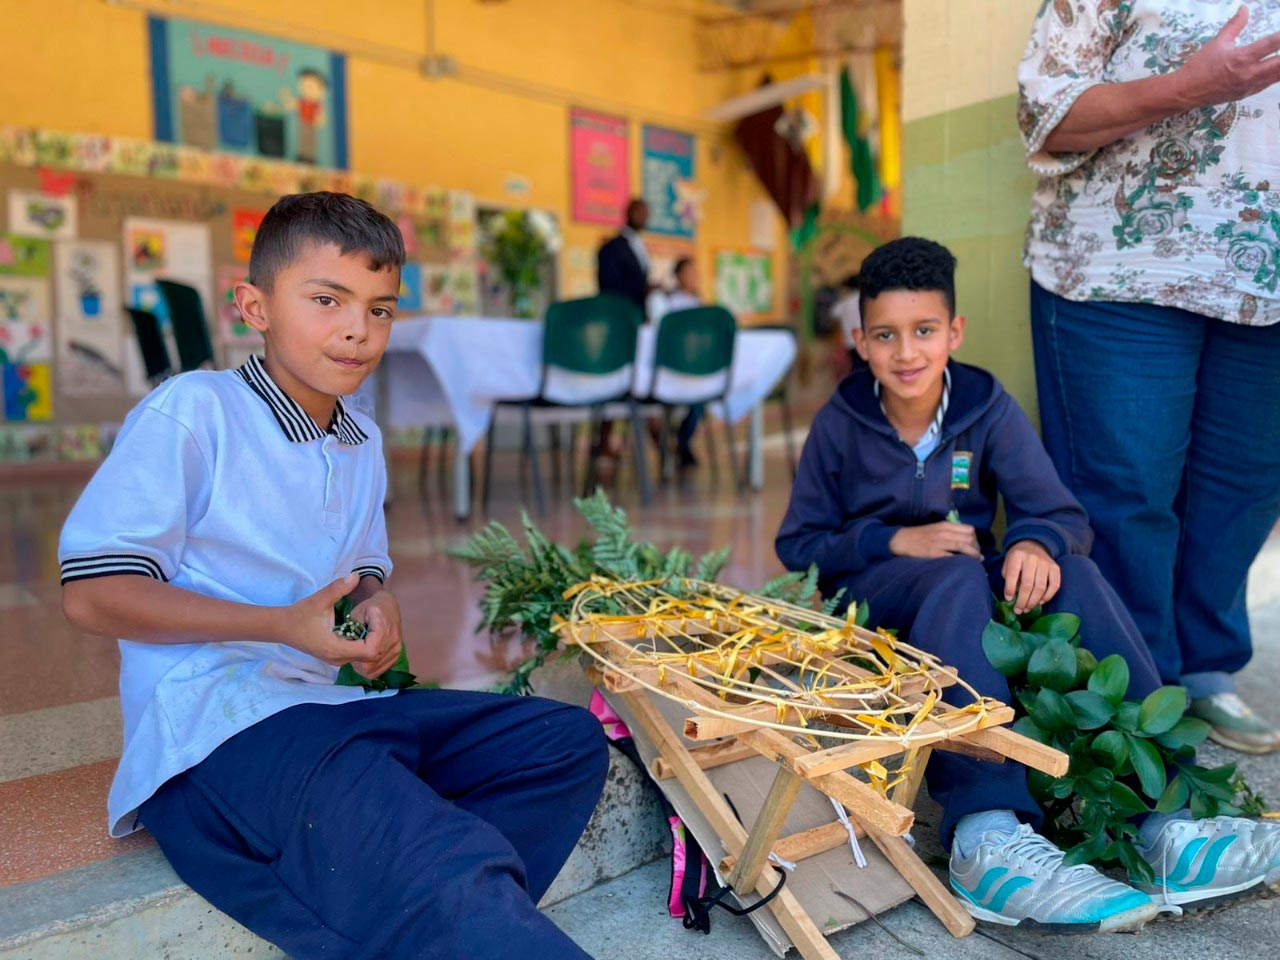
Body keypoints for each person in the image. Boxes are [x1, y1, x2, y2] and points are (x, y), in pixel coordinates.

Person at [58, 192, 608, 960]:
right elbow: (92, 594)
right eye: (327, 300)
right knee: (445, 864)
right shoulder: (196, 410)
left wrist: (379, 609)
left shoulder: (361, 437)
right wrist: (276, 625)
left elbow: (362, 575)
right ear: (255, 305)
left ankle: (430, 906)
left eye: (380, 310)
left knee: (564, 742)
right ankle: (442, 894)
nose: (358, 329)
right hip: (223, 728)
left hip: (339, 706)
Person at [776, 237, 1280, 931]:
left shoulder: (983, 405)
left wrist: (1037, 542)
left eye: (924, 331)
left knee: (1072, 571)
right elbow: (797, 544)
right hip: (876, 597)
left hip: (961, 599)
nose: (907, 353)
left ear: (953, 332)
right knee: (954, 573)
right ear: (860, 342)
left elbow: (1055, 509)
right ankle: (987, 835)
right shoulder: (840, 423)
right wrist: (892, 539)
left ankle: (1170, 827)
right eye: (886, 336)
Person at [1018, 3, 1280, 752]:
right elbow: (1044, 114)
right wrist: (1189, 86)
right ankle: (1131, 696)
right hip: (1123, 269)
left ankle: (1203, 672)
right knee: (1126, 492)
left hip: (1268, 276)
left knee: (1245, 485)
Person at [653, 256, 704, 468]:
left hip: (694, 367)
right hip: (671, 366)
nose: (692, 277)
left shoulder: (699, 303)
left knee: (699, 402)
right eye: (688, 272)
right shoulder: (667, 302)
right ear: (678, 276)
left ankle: (682, 441)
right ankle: (672, 443)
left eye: (694, 272)